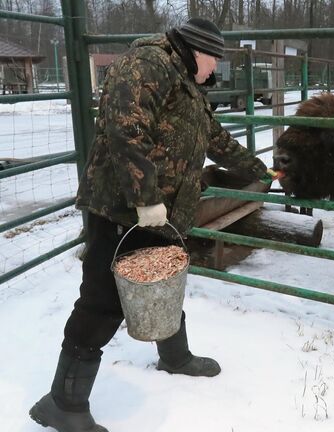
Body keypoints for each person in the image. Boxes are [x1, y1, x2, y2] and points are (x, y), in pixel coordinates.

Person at [29, 18, 272, 432]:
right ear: (197, 51)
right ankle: (64, 401)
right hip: (121, 208)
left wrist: (256, 168)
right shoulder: (147, 64)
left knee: (162, 282)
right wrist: (146, 200)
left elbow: (209, 133)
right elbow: (126, 131)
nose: (215, 68)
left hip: (159, 211)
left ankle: (174, 356)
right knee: (103, 299)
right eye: (214, 59)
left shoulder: (185, 81)